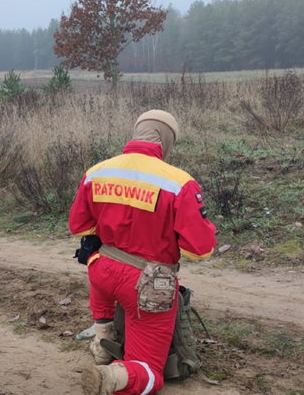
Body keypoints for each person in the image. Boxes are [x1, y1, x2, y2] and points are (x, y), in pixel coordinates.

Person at [68, 110, 216, 395]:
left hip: (101, 268)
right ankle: (110, 377)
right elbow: (200, 250)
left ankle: (102, 344)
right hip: (148, 282)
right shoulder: (180, 182)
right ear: (166, 140)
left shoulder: (97, 172)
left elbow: (79, 225)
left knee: (105, 282)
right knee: (151, 373)